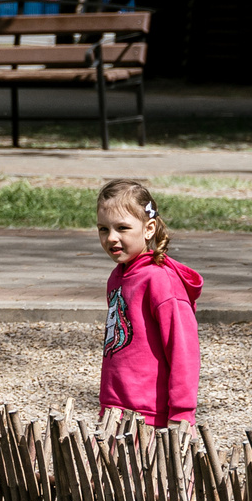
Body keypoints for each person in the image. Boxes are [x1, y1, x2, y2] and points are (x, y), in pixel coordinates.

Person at [96, 177, 202, 427]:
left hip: (150, 417)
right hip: (115, 408)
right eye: (103, 229)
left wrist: (182, 413)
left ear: (149, 229)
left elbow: (183, 350)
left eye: (122, 228)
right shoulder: (118, 276)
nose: (111, 237)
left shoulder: (159, 281)